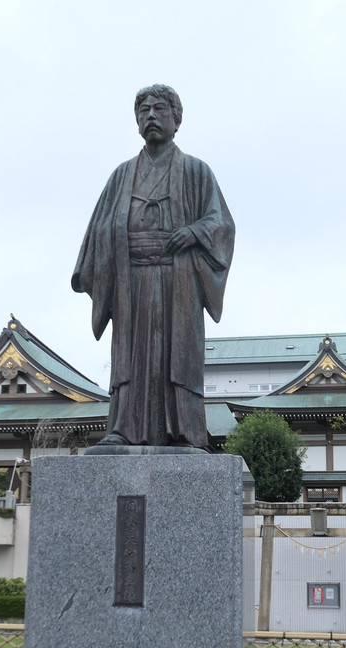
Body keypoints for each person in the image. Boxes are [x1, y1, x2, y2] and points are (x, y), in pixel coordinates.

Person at [72, 84, 235, 450]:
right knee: (131, 356)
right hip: (131, 282)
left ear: (176, 120)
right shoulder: (122, 175)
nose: (150, 116)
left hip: (179, 279)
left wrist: (193, 232)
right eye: (143, 110)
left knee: (179, 358)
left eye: (159, 109)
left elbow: (221, 223)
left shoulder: (196, 171)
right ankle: (123, 429)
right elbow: (99, 227)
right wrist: (114, 245)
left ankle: (184, 432)